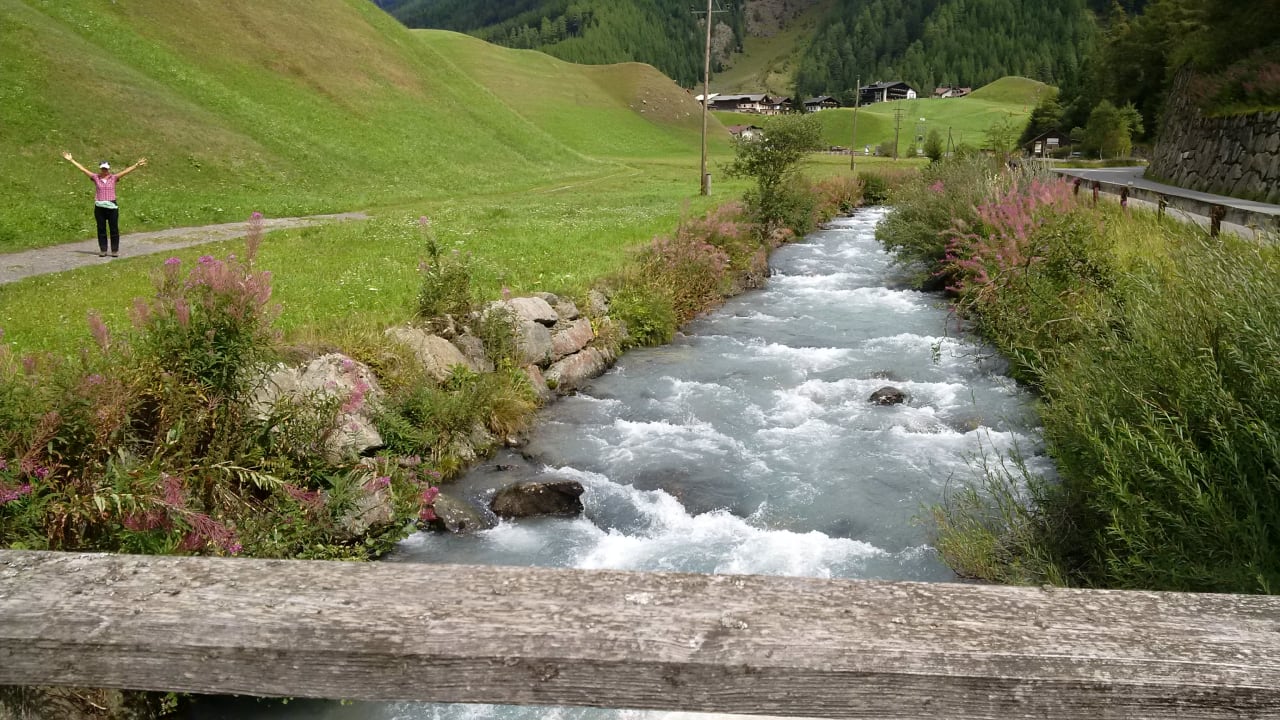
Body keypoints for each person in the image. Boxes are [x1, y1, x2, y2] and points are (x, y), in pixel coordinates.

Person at [61, 151, 147, 257]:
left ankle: (114, 250)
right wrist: (71, 160)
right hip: (100, 207)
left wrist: (136, 165)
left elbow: (125, 172)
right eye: (102, 169)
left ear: (108, 169)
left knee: (114, 228)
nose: (104, 170)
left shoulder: (114, 178)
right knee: (101, 228)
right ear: (100, 169)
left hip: (112, 206)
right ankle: (103, 250)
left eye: (106, 169)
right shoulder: (95, 177)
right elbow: (83, 169)